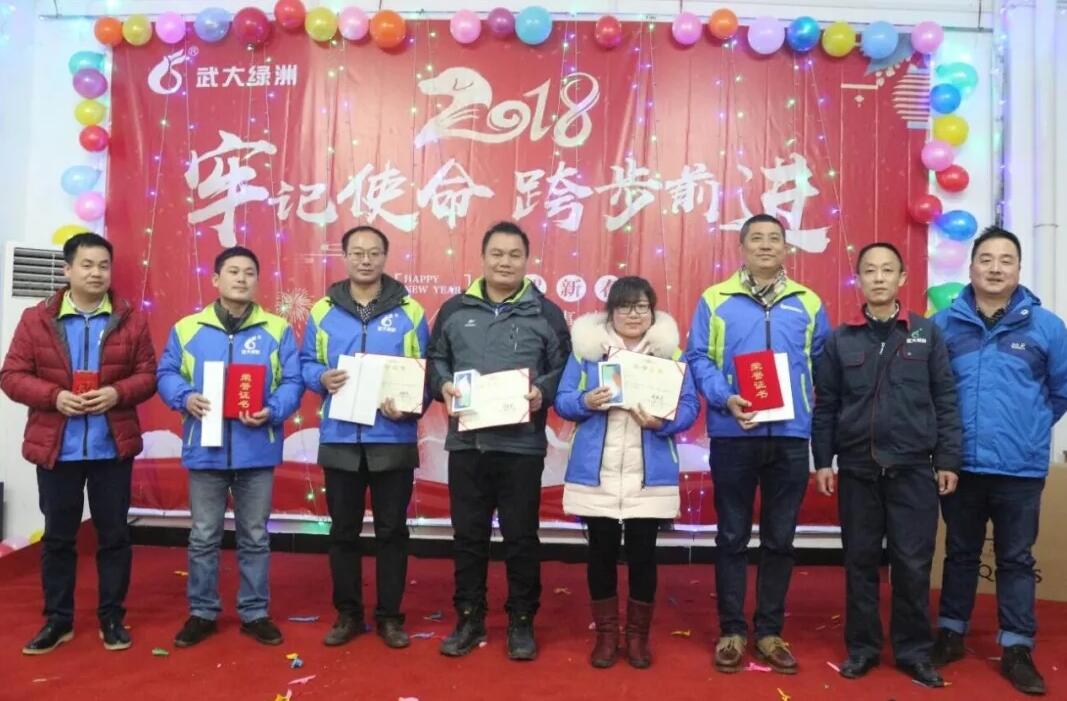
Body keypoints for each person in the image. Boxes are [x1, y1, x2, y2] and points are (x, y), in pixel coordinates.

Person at [811, 242, 961, 687]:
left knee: (913, 566)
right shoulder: (840, 339)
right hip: (858, 470)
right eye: (870, 271)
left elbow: (945, 399)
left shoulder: (926, 334)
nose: (878, 278)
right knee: (859, 563)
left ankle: (913, 651)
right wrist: (823, 461)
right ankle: (862, 648)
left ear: (902, 278)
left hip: (913, 469)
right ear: (858, 279)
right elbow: (826, 405)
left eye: (887, 270)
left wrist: (947, 459)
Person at [686, 213, 830, 674]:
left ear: (786, 248)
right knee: (731, 535)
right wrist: (724, 398)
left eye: (774, 239)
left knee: (780, 539)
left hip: (790, 436)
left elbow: (824, 365)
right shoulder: (715, 299)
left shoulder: (808, 302)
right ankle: (731, 631)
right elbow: (698, 358)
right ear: (742, 248)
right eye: (757, 239)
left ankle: (769, 632)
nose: (766, 245)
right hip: (735, 434)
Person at [1, 232, 157, 654]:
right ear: (67, 270)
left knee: (114, 536)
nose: (96, 273)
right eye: (86, 265)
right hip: (58, 448)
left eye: (103, 265)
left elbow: (148, 375)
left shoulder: (130, 318)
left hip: (111, 448)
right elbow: (11, 376)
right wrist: (54, 397)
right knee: (58, 538)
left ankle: (111, 617)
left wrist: (117, 393)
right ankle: (58, 620)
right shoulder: (37, 319)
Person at [930, 227, 1067, 696]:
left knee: (1015, 558)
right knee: (960, 553)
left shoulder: (1047, 327)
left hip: (1019, 467)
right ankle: (951, 632)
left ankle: (1016, 645)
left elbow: (1060, 392)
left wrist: (1030, 428)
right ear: (970, 267)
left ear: (1018, 269)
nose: (995, 268)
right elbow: (933, 392)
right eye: (986, 259)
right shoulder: (943, 325)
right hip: (960, 464)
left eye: (1005, 260)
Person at [428, 221, 570, 661]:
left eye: (514, 255)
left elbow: (564, 369)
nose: (505, 262)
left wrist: (542, 391)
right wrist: (443, 385)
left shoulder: (546, 313)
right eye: (497, 254)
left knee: (521, 538)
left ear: (526, 260)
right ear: (483, 257)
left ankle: (521, 620)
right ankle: (469, 617)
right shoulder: (455, 309)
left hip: (521, 447)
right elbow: (435, 359)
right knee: (468, 537)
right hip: (467, 445)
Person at [157, 246, 303, 648]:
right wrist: (185, 397)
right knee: (203, 535)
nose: (241, 278)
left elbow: (293, 382)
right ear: (216, 279)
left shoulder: (277, 329)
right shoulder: (188, 328)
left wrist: (273, 410)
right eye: (233, 271)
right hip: (205, 447)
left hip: (257, 449)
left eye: (249, 272)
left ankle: (255, 612)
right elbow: (165, 372)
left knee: (254, 535)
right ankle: (202, 611)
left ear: (258, 281)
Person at [554, 276, 699, 669]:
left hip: (648, 472)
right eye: (624, 306)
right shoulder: (587, 352)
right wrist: (586, 401)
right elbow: (563, 400)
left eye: (642, 307)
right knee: (600, 553)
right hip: (596, 470)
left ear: (652, 311)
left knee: (643, 555)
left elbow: (689, 406)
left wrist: (662, 423)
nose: (634, 314)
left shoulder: (670, 354)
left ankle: (637, 638)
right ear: (610, 312)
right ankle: (606, 636)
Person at [301, 225, 429, 649]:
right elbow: (305, 363)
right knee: (343, 531)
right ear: (344, 257)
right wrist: (320, 377)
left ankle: (390, 616)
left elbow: (425, 373)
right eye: (357, 252)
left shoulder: (410, 311)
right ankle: (348, 614)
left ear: (385, 257)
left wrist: (409, 405)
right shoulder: (322, 311)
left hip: (392, 437)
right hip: (340, 436)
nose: (366, 260)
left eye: (374, 252)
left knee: (392, 531)